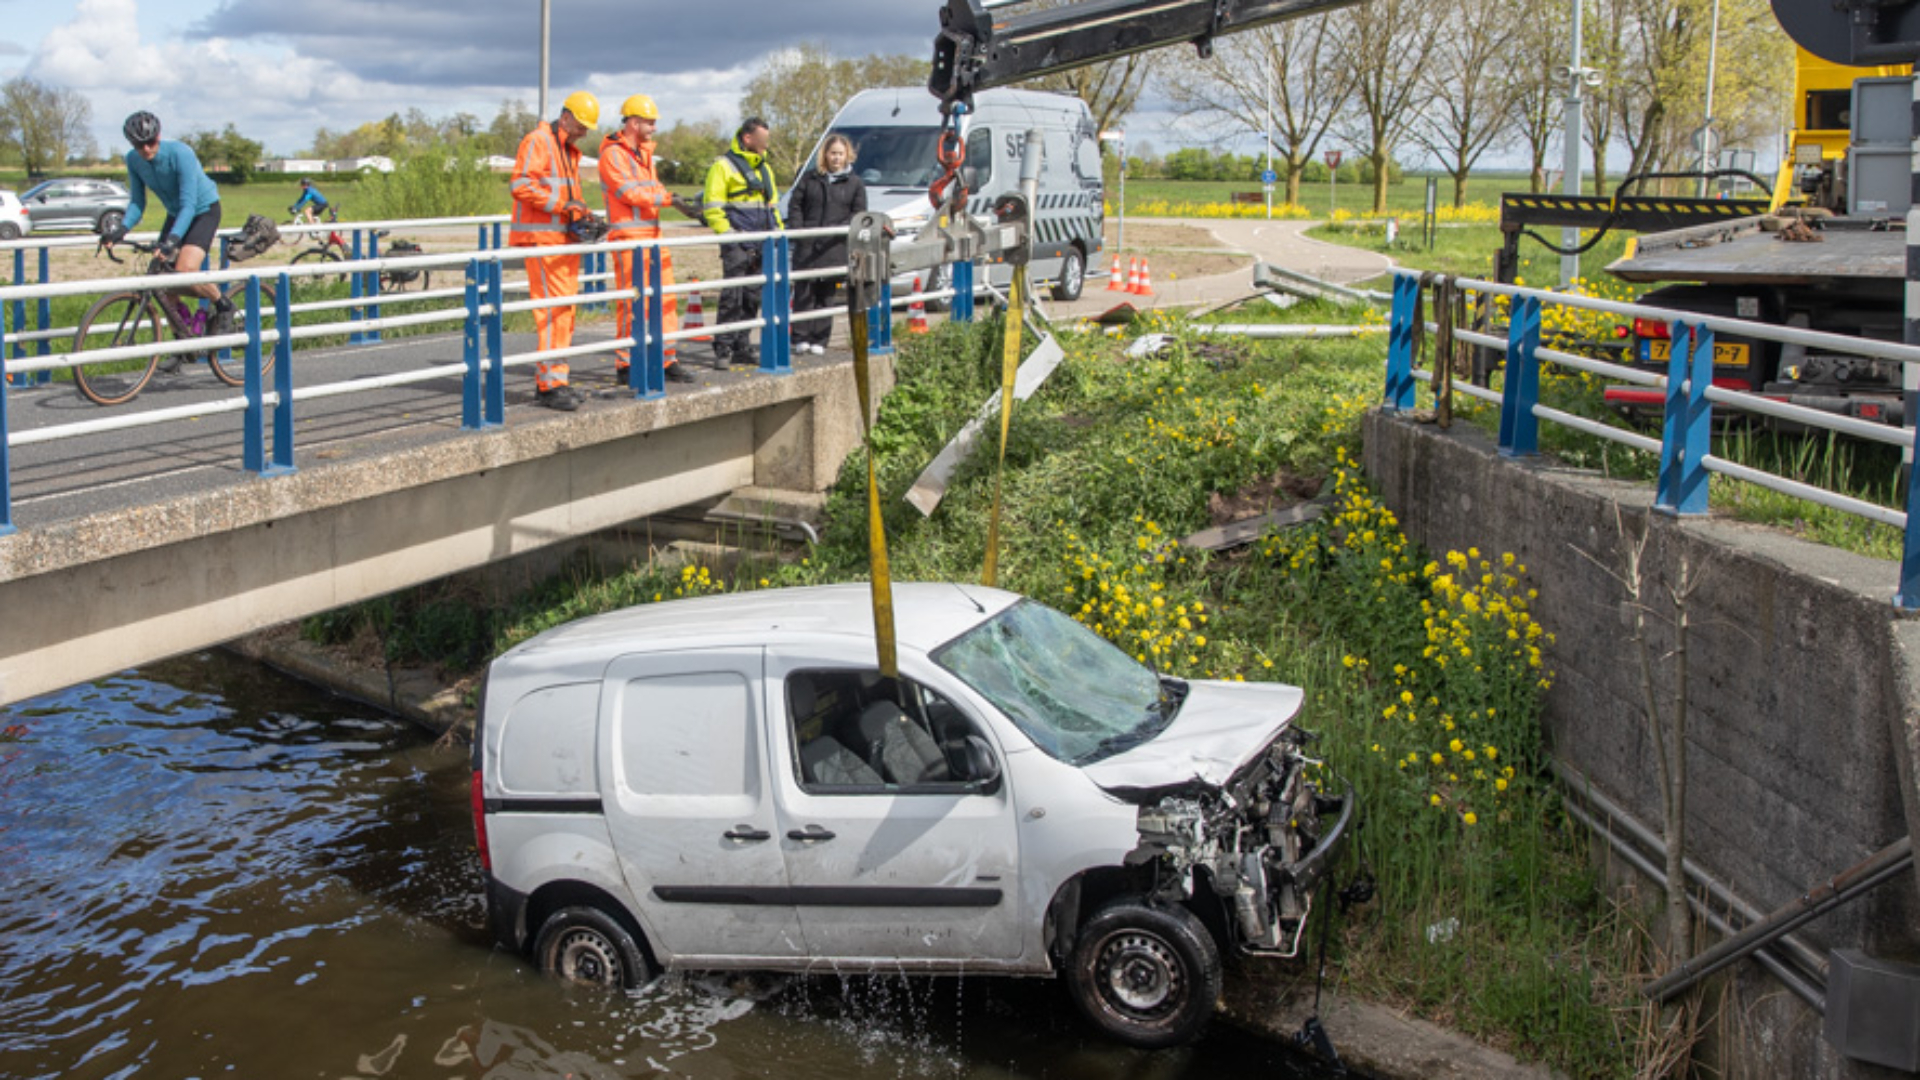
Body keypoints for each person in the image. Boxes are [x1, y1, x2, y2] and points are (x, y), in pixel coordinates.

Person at [510, 90, 602, 411]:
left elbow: (567, 196)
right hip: (543, 241)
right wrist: (565, 207)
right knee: (552, 314)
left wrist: (582, 213)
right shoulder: (538, 140)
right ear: (565, 117)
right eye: (581, 125)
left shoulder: (566, 150)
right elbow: (521, 184)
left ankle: (557, 380)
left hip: (563, 242)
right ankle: (548, 385)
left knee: (564, 313)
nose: (585, 132)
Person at [106, 111, 235, 334]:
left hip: (202, 211)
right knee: (160, 282)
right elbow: (137, 201)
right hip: (176, 214)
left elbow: (189, 204)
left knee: (185, 270)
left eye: (150, 142)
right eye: (139, 145)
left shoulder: (180, 153)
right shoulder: (134, 160)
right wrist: (121, 230)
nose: (146, 149)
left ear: (159, 136)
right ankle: (183, 341)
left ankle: (223, 304)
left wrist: (171, 241)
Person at [599, 94, 695, 385]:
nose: (654, 128)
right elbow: (629, 193)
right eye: (650, 123)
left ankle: (666, 359)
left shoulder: (644, 154)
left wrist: (677, 199)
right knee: (633, 303)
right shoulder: (612, 155)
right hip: (628, 238)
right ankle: (626, 364)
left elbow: (652, 188)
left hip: (653, 237)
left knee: (665, 298)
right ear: (634, 121)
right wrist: (669, 200)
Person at [701, 118, 782, 369]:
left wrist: (778, 231)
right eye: (762, 138)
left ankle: (742, 345)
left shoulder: (764, 169)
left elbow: (772, 206)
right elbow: (712, 206)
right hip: (736, 241)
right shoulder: (723, 166)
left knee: (752, 297)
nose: (766, 143)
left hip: (761, 241)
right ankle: (723, 348)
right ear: (748, 139)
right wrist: (728, 235)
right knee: (732, 297)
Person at [786, 133, 866, 357]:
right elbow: (795, 205)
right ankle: (800, 337)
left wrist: (837, 231)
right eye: (833, 153)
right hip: (807, 246)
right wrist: (800, 230)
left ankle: (820, 338)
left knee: (825, 295)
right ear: (825, 155)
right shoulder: (810, 179)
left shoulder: (855, 184)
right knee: (804, 293)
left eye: (840, 154)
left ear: (847, 155)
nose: (836, 158)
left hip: (833, 247)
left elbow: (858, 213)